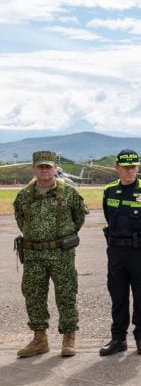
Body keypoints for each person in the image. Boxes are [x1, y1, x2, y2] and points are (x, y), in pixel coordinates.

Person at [13, 151, 88, 358]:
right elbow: (21, 221)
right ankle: (40, 339)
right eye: (41, 166)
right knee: (33, 295)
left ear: (55, 168)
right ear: (34, 169)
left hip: (61, 253)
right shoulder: (24, 195)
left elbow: (78, 219)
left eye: (48, 166)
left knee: (66, 294)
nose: (45, 170)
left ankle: (69, 337)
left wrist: (59, 239)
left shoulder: (69, 193)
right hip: (33, 254)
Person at [99, 149, 141, 356]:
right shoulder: (109, 191)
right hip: (116, 251)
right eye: (125, 167)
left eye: (133, 167)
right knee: (117, 295)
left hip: (139, 251)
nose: (130, 171)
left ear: (138, 168)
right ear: (117, 168)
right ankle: (118, 338)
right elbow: (109, 217)